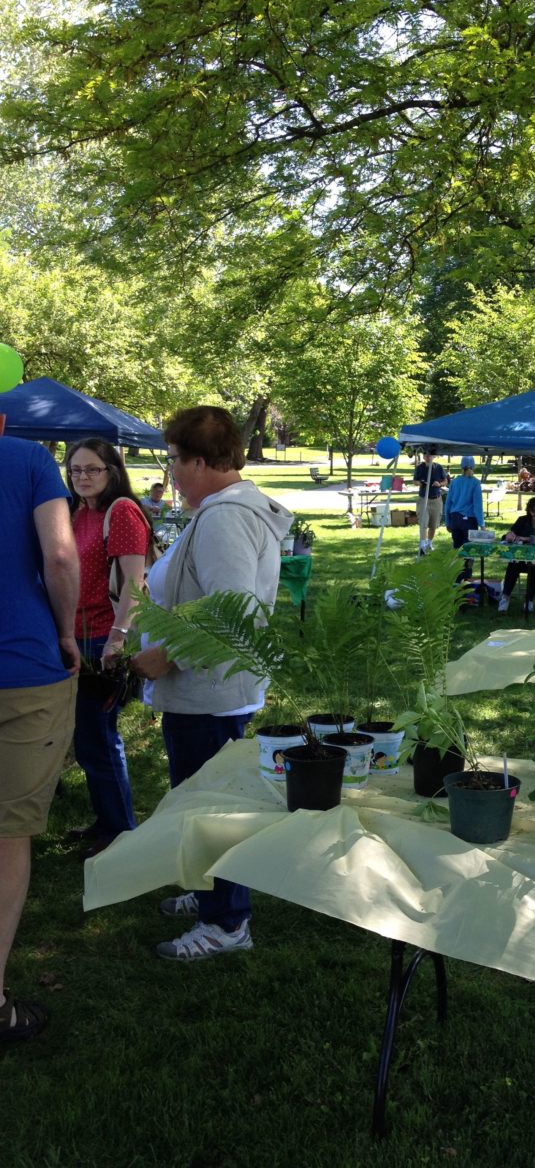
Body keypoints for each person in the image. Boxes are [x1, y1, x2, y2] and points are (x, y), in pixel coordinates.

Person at [131, 406, 292, 961]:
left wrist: (167, 654)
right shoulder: (221, 510)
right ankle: (207, 893)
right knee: (200, 802)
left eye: (175, 459)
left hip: (212, 691)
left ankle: (228, 921)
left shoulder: (226, 517)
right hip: (208, 689)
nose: (170, 471)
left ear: (201, 460)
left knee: (216, 808)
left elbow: (235, 612)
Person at [1, 437, 80, 1045]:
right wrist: (66, 632)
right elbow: (60, 556)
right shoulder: (28, 460)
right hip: (24, 668)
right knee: (7, 835)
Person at [66, 437, 154, 856]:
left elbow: (134, 584)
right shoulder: (77, 511)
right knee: (87, 739)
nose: (82, 477)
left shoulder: (121, 512)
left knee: (100, 737)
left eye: (92, 469)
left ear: (113, 472)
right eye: (75, 470)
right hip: (77, 636)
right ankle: (106, 820)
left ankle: (120, 830)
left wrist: (117, 639)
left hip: (104, 637)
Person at [497, 496, 535, 614]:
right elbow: (509, 534)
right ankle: (505, 598)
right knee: (513, 564)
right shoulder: (522, 520)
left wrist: (526, 538)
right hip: (522, 559)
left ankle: (529, 600)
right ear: (532, 512)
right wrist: (509, 535)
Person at [444, 456, 485, 578]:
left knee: (457, 550)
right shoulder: (475, 482)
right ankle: (466, 579)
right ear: (474, 466)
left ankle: (457, 580)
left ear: (461, 467)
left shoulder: (455, 481)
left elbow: (448, 503)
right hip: (468, 521)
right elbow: (478, 505)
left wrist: (448, 521)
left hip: (455, 519)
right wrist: (482, 524)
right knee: (469, 552)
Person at [413, 447, 447, 555]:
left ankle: (429, 543)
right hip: (424, 499)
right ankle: (422, 546)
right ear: (423, 456)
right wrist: (420, 483)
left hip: (436, 499)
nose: (428, 457)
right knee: (423, 522)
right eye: (426, 455)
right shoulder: (420, 468)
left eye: (430, 455)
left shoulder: (439, 468)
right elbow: (414, 480)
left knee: (433, 524)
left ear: (434, 456)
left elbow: (445, 480)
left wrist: (440, 484)